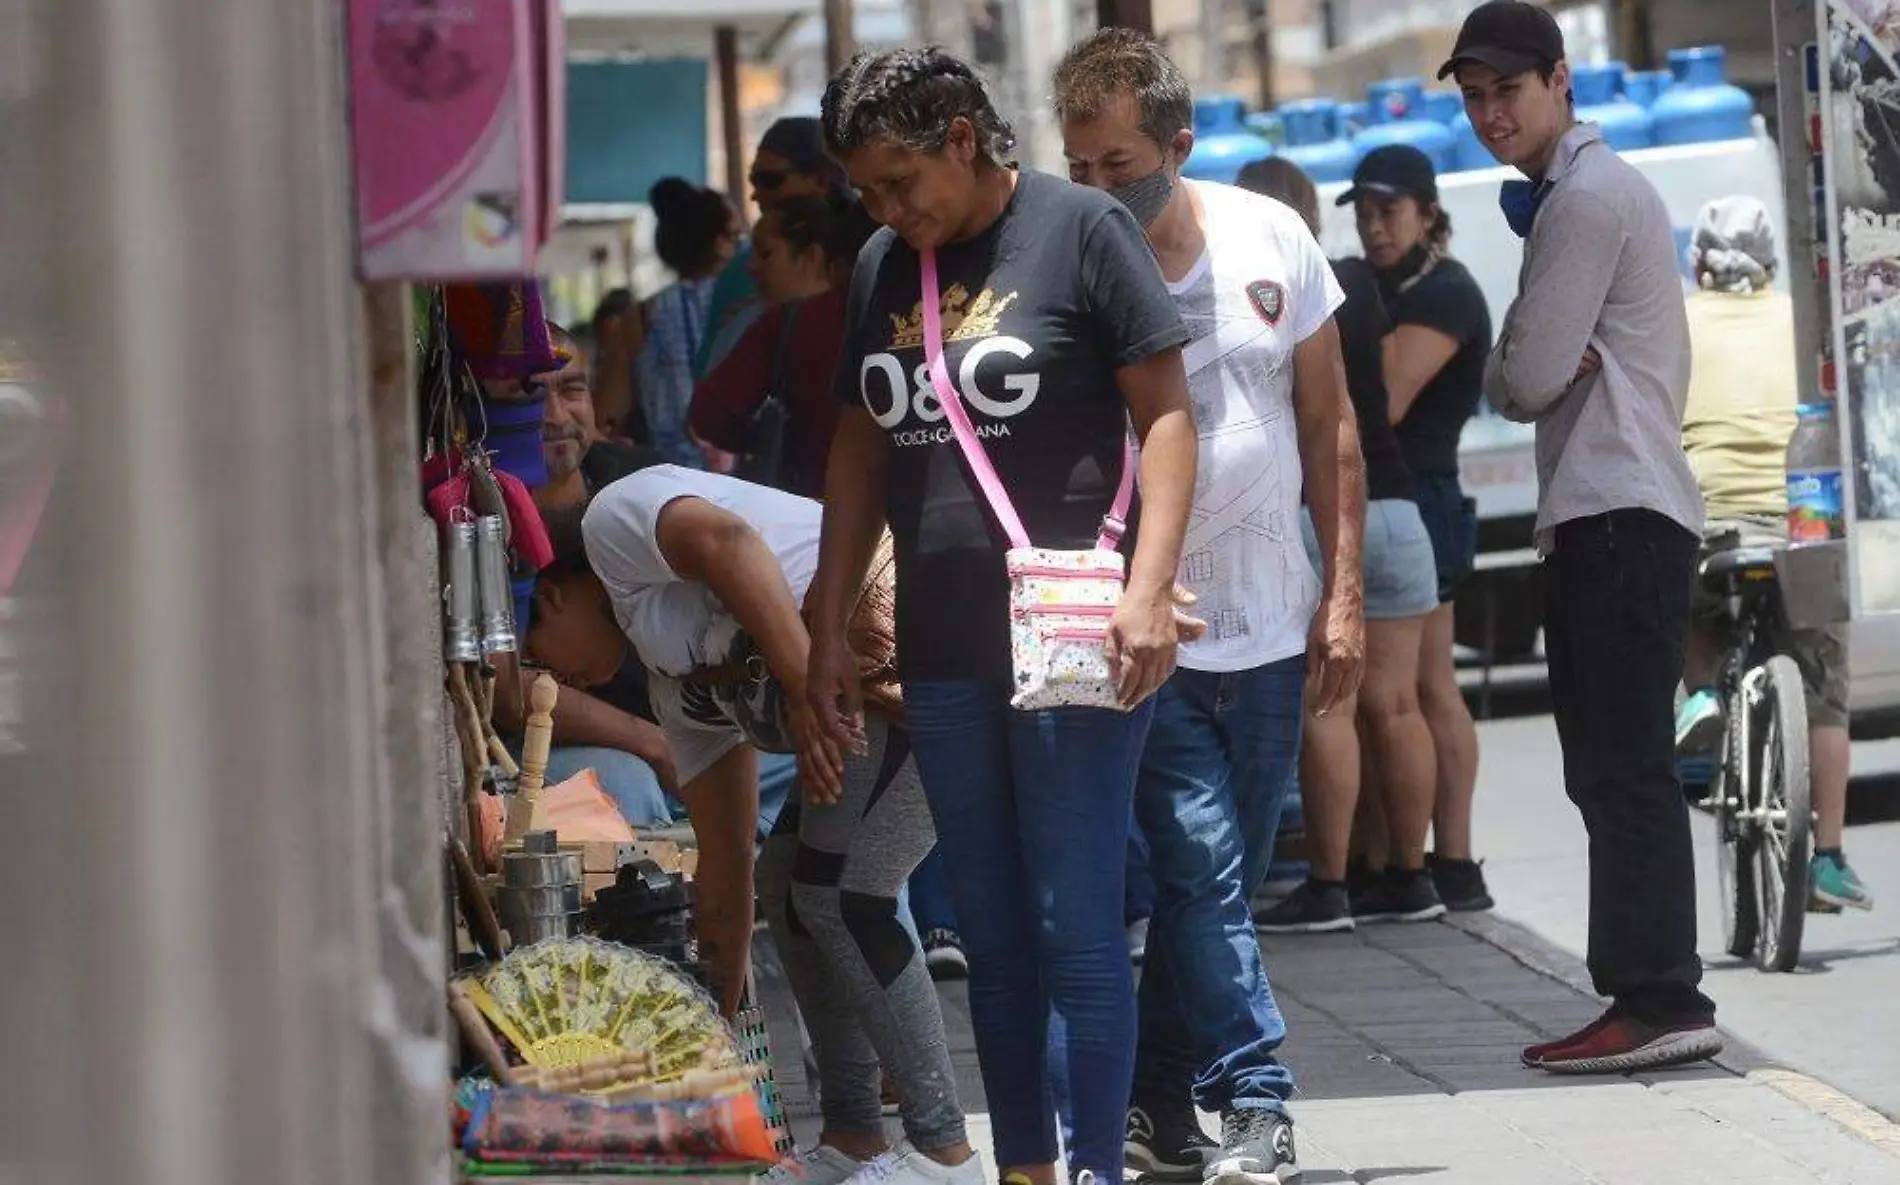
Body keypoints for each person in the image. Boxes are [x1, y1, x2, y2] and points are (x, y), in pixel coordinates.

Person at [803, 47, 1199, 1185]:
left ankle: (1095, 1173)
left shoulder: (1082, 230)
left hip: (1077, 636)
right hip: (941, 651)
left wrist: (1148, 588)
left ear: (962, 142)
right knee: (990, 936)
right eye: (866, 193)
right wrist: (829, 625)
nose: (884, 210)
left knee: (1077, 927)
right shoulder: (887, 262)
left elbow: (1167, 418)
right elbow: (857, 447)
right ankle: (1023, 1169)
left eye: (897, 181)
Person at [1053, 36, 1364, 1185]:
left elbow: (1331, 424)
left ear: (1178, 146)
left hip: (1276, 620)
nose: (1096, 189)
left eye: (1118, 162)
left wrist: (1343, 600)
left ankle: (1149, 1103)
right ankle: (1257, 1100)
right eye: (1077, 164)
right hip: (1159, 630)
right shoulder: (1074, 270)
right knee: (1201, 873)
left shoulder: (1268, 238)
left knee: (1208, 883)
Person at [524, 466, 982, 1185]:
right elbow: (727, 871)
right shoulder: (675, 680)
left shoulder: (612, 519)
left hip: (916, 642)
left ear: (549, 597)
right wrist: (712, 1043)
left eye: (535, 658)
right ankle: (854, 1132)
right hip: (850, 688)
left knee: (848, 893)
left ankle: (944, 1150)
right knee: (785, 883)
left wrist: (807, 694)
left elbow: (729, 541)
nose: (561, 684)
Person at [1447, 0, 1719, 1072]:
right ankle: (1652, 995)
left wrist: (1532, 360)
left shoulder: (1586, 201)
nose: (1487, 113)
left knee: (1621, 770)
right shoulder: (1583, 194)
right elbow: (1535, 367)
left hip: (1615, 511)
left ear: (1561, 82)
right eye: (1471, 97)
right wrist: (1540, 358)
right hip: (1616, 511)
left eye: (1505, 90)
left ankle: (1656, 999)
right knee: (1614, 768)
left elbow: (1518, 377)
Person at [1235, 157, 1443, 939]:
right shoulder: (1354, 288)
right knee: (1400, 702)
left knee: (1330, 705)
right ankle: (1412, 875)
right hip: (1399, 509)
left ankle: (1329, 885)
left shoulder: (1265, 299)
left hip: (1327, 515)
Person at [1675, 197, 1873, 912]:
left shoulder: (1678, 321)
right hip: (1803, 521)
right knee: (1825, 695)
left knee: (1689, 600)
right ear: (1769, 265)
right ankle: (1827, 855)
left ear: (1698, 262)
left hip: (1714, 520)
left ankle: (1699, 691)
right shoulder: (1803, 320)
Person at [1342, 145, 1494, 913]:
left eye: (1388, 211)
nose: (1373, 227)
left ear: (1429, 214)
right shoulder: (1384, 285)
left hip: (1424, 493)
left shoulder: (1445, 293)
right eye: (1364, 214)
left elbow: (1386, 399)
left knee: (1427, 689)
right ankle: (1398, 856)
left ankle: (1454, 860)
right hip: (1399, 494)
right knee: (1392, 694)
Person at [690, 195, 882, 498]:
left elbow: (707, 414)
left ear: (813, 258)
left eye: (766, 254)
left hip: (811, 510)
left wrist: (772, 439)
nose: (751, 267)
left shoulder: (783, 326)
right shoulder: (926, 316)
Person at [698, 117, 854, 377]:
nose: (756, 194)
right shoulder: (743, 273)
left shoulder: (875, 254)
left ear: (821, 180)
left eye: (769, 180)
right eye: (753, 180)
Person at [632, 178, 741, 469]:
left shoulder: (644, 314)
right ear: (720, 243)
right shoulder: (750, 300)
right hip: (749, 479)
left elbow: (610, 408)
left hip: (673, 481)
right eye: (737, 237)